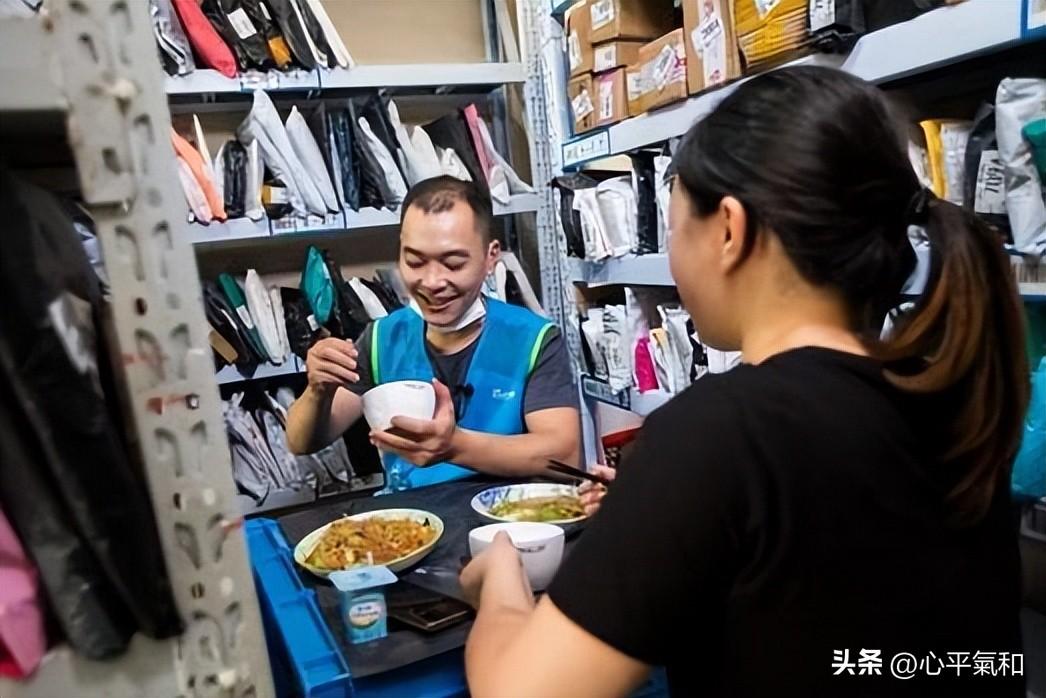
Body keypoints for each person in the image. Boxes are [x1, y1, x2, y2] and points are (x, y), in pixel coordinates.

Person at [460, 66, 1029, 697]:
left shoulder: (719, 432)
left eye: (677, 227)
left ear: (729, 229)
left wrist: (502, 575)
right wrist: (663, 506)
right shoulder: (952, 405)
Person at [286, 176, 582, 490]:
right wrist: (318, 390)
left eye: (453, 264)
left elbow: (565, 458)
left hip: (508, 519)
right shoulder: (382, 339)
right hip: (410, 526)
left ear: (490, 256)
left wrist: (454, 446)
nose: (432, 282)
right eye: (415, 261)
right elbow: (301, 441)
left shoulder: (533, 340)